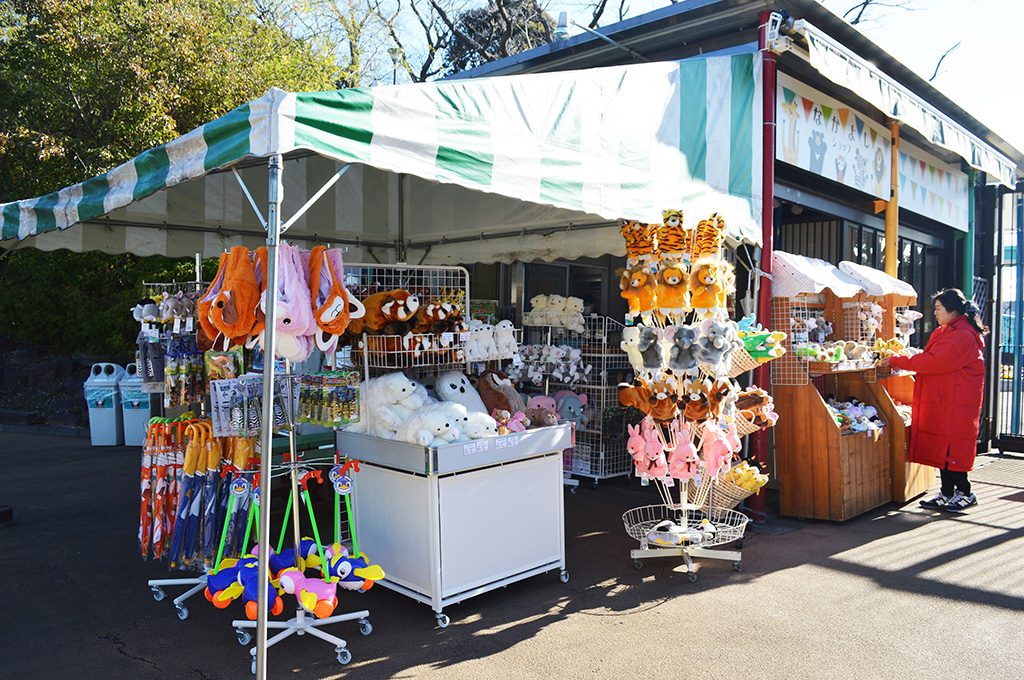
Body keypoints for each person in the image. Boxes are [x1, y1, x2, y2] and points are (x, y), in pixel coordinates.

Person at [878, 288, 987, 513]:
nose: (935, 313)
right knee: (944, 446)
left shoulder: (962, 336)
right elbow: (932, 360)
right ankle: (947, 492)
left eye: (938, 309)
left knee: (952, 447)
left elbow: (933, 362)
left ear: (953, 310)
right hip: (948, 399)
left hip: (956, 402)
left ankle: (965, 492)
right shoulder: (950, 330)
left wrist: (898, 360)